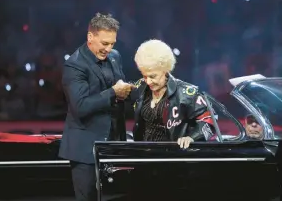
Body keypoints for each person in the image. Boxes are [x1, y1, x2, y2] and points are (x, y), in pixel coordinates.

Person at [59, 13, 135, 201]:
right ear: (90, 37)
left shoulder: (115, 57)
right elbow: (81, 106)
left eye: (112, 43)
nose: (109, 49)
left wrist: (134, 90)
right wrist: (113, 92)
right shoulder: (74, 65)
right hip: (85, 148)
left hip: (114, 144)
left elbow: (121, 88)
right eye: (104, 43)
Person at [131, 39, 215, 148]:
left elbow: (210, 121)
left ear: (165, 70)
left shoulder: (188, 93)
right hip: (143, 156)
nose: (148, 81)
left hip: (174, 157)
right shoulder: (140, 87)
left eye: (152, 76)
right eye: (144, 76)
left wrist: (191, 137)